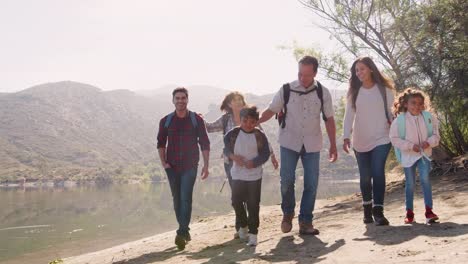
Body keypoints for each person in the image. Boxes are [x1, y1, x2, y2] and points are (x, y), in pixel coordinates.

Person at [259, 56, 337, 235]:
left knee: (311, 183)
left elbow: (329, 119)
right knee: (286, 180)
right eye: (300, 74)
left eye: (307, 75)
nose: (303, 78)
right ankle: (287, 213)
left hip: (312, 142)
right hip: (289, 141)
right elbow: (271, 110)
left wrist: (333, 145)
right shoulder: (286, 89)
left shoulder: (322, 92)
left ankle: (305, 221)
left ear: (315, 73)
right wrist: (253, 122)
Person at [205, 91, 278, 237]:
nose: (238, 102)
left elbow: (263, 140)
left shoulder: (251, 118)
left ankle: (249, 227)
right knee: (237, 196)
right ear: (229, 104)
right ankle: (241, 226)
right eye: (234, 100)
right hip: (231, 163)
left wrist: (272, 156)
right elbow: (210, 128)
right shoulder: (226, 119)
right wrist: (199, 119)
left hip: (252, 164)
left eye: (240, 100)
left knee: (250, 197)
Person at [343, 57, 395, 225]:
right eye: (356, 70)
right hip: (360, 140)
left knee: (378, 171)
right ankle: (367, 209)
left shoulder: (385, 89)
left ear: (371, 69)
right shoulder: (354, 92)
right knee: (365, 177)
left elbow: (392, 112)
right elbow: (349, 115)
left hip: (382, 137)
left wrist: (398, 129)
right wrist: (345, 136)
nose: (359, 73)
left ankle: (378, 211)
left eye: (362, 69)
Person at [157, 87, 210, 250]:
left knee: (185, 197)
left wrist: (206, 164)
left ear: (187, 100)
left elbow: (205, 143)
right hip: (172, 166)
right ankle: (185, 231)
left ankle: (181, 232)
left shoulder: (196, 120)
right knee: (176, 199)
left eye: (183, 98)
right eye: (177, 98)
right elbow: (160, 143)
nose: (180, 101)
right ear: (173, 100)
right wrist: (163, 163)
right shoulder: (166, 120)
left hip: (190, 165)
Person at [390, 88, 440, 224]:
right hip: (408, 157)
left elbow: (436, 136)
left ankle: (429, 212)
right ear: (406, 104)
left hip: (424, 155)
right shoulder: (399, 121)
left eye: (420, 103)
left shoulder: (429, 118)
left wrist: (428, 143)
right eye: (413, 103)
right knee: (410, 183)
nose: (417, 106)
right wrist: (410, 146)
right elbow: (394, 139)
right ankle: (409, 213)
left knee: (425, 180)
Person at [224, 106, 270, 246]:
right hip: (237, 174)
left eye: (252, 122)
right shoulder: (232, 134)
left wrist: (255, 162)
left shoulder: (259, 135)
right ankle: (243, 225)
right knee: (236, 201)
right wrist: (233, 156)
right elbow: (225, 149)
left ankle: (253, 235)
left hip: (254, 176)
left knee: (253, 205)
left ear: (256, 122)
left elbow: (265, 154)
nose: (248, 124)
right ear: (240, 120)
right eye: (245, 121)